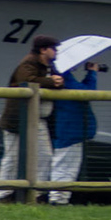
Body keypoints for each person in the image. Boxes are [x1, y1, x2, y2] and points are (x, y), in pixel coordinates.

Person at [0, 34, 63, 201]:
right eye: (53, 48)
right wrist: (50, 81)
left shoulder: (49, 66)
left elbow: (53, 81)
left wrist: (59, 81)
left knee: (45, 155)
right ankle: (3, 194)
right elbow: (26, 80)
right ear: (43, 49)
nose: (56, 52)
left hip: (38, 119)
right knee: (12, 157)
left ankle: (37, 193)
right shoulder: (29, 62)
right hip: (18, 119)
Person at [47, 56, 100, 204]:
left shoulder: (64, 78)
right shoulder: (63, 77)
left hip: (71, 128)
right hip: (70, 128)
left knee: (67, 165)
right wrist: (92, 73)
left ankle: (61, 198)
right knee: (64, 165)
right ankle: (57, 199)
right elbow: (88, 93)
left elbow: (81, 91)